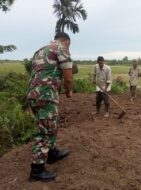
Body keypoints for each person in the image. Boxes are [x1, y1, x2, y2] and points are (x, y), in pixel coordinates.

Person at [27, 32, 73, 182]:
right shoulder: (61, 48)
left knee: (52, 124)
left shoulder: (40, 50)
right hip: (45, 95)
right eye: (69, 44)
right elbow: (68, 77)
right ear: (66, 41)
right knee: (44, 132)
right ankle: (37, 170)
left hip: (35, 94)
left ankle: (52, 153)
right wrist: (68, 92)